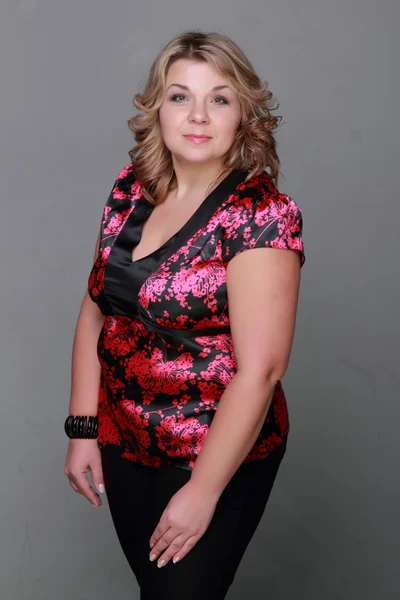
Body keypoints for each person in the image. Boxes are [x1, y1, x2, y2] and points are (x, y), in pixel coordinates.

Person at [64, 29, 306, 600]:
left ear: (243, 114)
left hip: (213, 451)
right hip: (125, 441)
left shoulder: (261, 215)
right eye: (180, 96)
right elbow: (97, 309)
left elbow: (262, 371)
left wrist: (202, 491)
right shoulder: (131, 191)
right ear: (158, 109)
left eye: (218, 98)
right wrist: (82, 428)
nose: (198, 115)